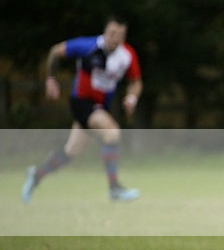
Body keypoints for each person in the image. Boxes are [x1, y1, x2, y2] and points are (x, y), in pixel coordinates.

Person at [21, 16, 142, 203]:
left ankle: (36, 175)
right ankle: (114, 189)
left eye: (120, 34)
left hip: (100, 107)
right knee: (112, 133)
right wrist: (51, 78)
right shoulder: (88, 46)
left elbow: (136, 82)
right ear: (105, 31)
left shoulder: (128, 55)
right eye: (112, 33)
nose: (115, 38)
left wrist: (132, 97)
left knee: (71, 152)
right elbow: (56, 51)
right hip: (81, 102)